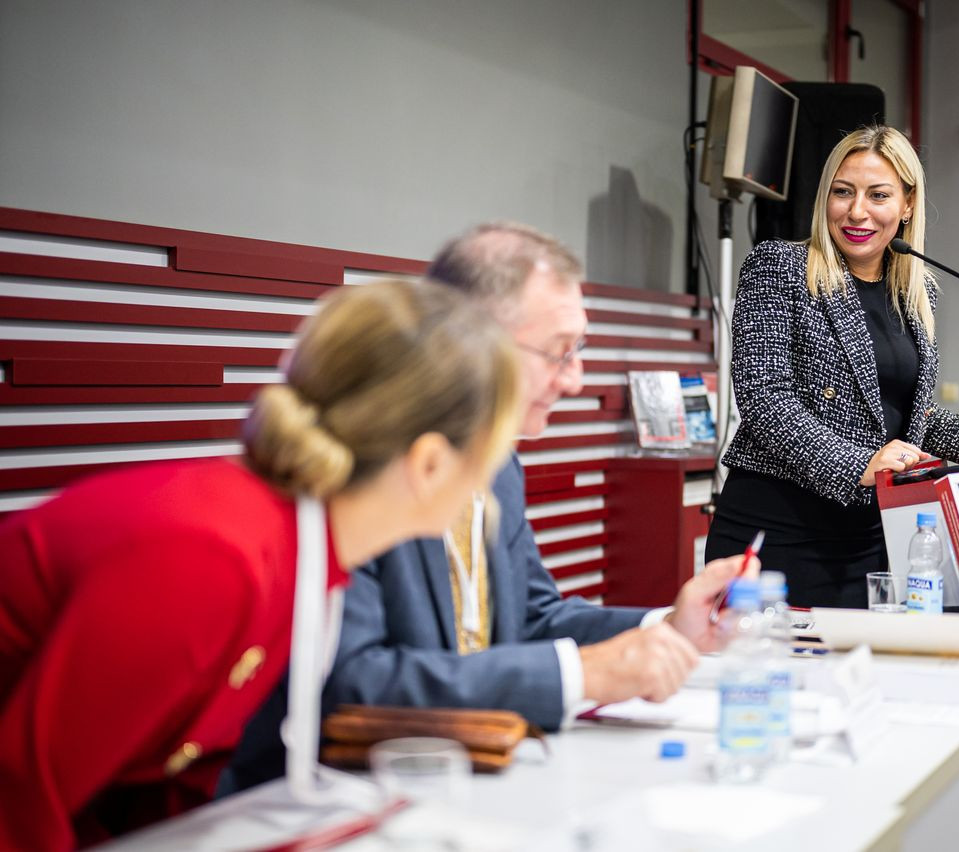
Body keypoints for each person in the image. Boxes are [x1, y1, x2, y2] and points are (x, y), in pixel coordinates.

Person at [221, 222, 755, 793]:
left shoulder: (498, 468)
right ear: (475, 342)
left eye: (579, 351)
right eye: (559, 352)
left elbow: (529, 619)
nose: (575, 379)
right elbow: (348, 684)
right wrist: (580, 674)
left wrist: (668, 626)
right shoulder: (366, 470)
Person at [0, 279, 521, 850]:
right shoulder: (215, 561)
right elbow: (19, 801)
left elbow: (161, 782)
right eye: (490, 457)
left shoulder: (302, 555)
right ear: (430, 465)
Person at [705, 126, 959, 608]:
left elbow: (917, 420)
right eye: (842, 192)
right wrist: (857, 464)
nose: (857, 211)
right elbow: (764, 398)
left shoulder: (917, 291)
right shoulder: (779, 267)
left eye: (878, 195)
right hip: (780, 530)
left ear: (908, 204)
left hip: (870, 537)